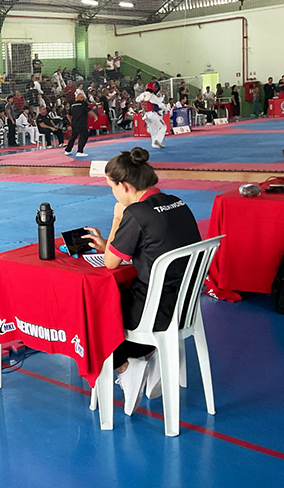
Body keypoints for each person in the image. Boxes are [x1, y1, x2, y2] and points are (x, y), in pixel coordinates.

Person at [83, 148, 200, 415]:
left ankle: (126, 366)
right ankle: (150, 354)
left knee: (89, 313)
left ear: (124, 186)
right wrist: (108, 245)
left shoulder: (136, 213)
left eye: (111, 187)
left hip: (154, 311)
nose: (112, 192)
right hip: (184, 304)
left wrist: (117, 217)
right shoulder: (177, 202)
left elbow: (111, 263)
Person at [136, 82, 168, 149]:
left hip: (145, 115)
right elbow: (161, 105)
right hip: (152, 114)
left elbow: (137, 99)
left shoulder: (142, 95)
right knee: (163, 127)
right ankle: (158, 140)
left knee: (153, 129)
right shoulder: (152, 96)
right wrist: (166, 109)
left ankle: (154, 144)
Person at [64, 90, 93, 157]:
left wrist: (71, 122)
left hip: (74, 123)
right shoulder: (84, 104)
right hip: (81, 123)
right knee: (84, 136)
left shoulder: (73, 105)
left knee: (73, 137)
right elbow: (90, 112)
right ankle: (80, 151)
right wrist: (95, 116)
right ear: (82, 99)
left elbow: (68, 115)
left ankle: (68, 150)